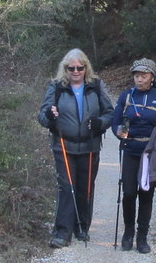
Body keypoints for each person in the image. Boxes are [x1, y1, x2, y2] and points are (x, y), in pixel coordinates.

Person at [38, 49, 114, 248]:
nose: (76, 71)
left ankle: (82, 227)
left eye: (80, 68)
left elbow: (110, 113)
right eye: (71, 68)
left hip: (90, 145)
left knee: (85, 187)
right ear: (65, 69)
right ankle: (63, 232)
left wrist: (100, 123)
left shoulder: (96, 86)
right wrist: (50, 116)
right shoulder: (56, 87)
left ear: (86, 67)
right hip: (64, 144)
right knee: (67, 187)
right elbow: (43, 117)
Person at [111, 58, 156, 254]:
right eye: (137, 76)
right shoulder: (126, 96)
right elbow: (116, 121)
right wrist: (118, 131)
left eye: (144, 76)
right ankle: (128, 232)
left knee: (146, 194)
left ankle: (142, 236)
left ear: (152, 78)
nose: (139, 79)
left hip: (150, 153)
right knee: (129, 193)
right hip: (130, 150)